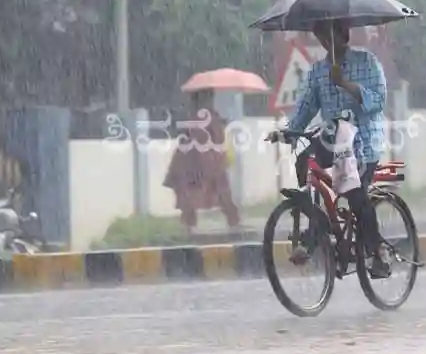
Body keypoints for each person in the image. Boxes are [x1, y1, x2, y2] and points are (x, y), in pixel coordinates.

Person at [267, 20, 391, 279]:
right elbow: (304, 107)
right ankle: (316, 228)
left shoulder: (367, 62)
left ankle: (378, 251)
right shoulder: (317, 72)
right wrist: (287, 130)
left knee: (356, 193)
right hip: (333, 138)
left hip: (363, 141)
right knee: (305, 160)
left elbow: (378, 100)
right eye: (322, 38)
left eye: (330, 36)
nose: (326, 43)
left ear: (344, 35)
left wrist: (346, 84)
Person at [163, 89, 241, 236]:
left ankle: (188, 227)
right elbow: (217, 138)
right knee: (221, 192)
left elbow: (189, 137)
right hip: (207, 161)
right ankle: (234, 223)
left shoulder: (193, 116)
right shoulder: (210, 116)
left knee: (189, 194)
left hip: (189, 163)